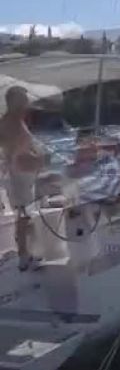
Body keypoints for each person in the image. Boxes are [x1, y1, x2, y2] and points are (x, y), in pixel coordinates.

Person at [1, 86, 47, 270]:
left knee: (27, 214)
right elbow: (15, 152)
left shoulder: (15, 120)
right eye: (23, 98)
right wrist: (38, 158)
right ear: (14, 101)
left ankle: (29, 252)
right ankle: (24, 255)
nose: (27, 102)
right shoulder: (10, 122)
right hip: (19, 174)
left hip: (23, 173)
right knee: (24, 214)